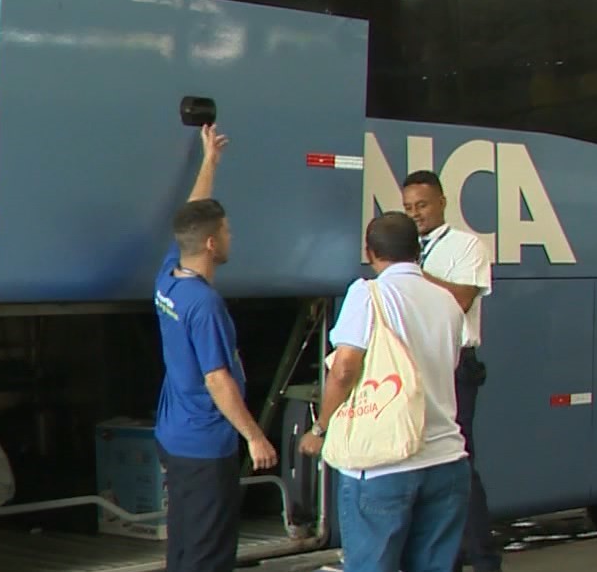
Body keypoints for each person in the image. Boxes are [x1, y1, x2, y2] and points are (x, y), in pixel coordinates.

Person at [301, 212, 470, 572]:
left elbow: (345, 367)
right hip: (446, 462)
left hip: (383, 467)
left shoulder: (368, 294)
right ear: (417, 251)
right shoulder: (448, 303)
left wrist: (320, 428)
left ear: (370, 252)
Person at [152, 124, 278, 572]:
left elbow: (190, 214)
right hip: (207, 445)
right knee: (209, 555)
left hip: (175, 436)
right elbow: (217, 379)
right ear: (211, 243)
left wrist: (209, 162)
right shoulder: (205, 305)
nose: (231, 236)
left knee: (185, 545)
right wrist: (255, 436)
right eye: (226, 231)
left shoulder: (169, 277)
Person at [399, 171, 499, 572]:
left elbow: (459, 299)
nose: (416, 214)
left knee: (459, 463)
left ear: (442, 201)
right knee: (425, 465)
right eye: (408, 208)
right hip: (416, 365)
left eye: (422, 205)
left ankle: (484, 559)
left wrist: (410, 272)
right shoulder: (407, 249)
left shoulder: (466, 246)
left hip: (456, 365)